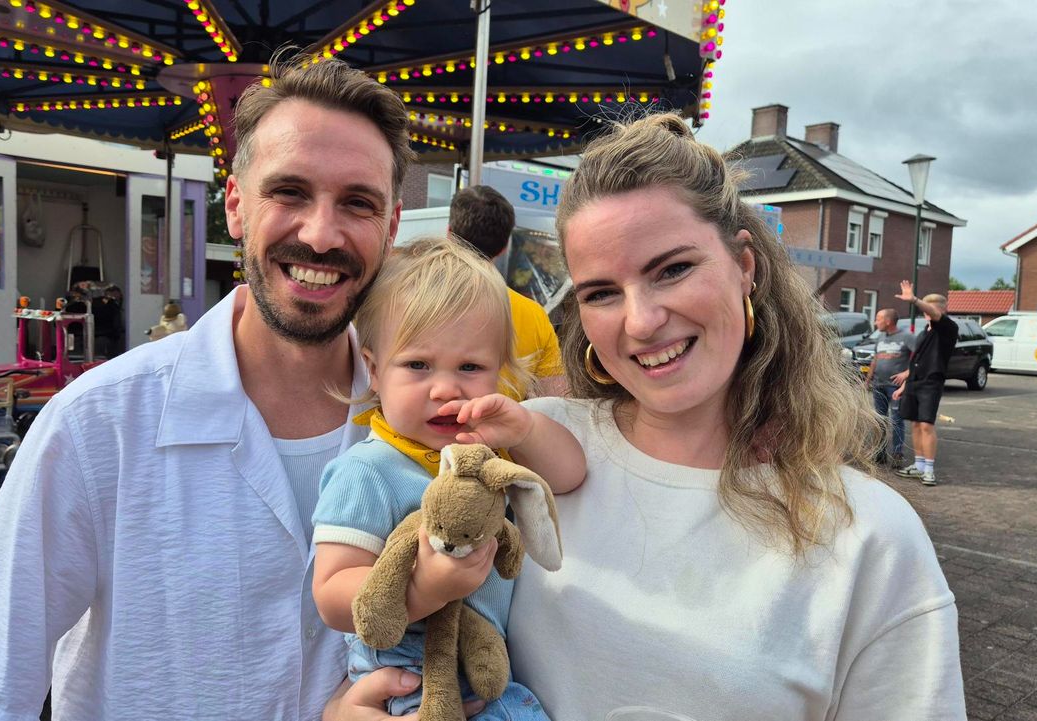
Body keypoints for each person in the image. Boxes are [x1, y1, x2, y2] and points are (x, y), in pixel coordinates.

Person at [333, 113, 966, 721]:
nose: (640, 322)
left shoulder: (868, 536)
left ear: (745, 267)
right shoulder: (527, 446)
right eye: (602, 293)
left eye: (673, 269)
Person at [0, 56, 415, 721]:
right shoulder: (99, 425)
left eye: (357, 203)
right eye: (289, 192)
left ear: (392, 226)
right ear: (235, 206)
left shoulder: (431, 431)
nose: (320, 233)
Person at [312, 238, 585, 719]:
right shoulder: (369, 471)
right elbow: (331, 595)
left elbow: (569, 474)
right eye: (418, 365)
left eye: (470, 367)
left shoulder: (489, 452)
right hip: (408, 689)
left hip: (491, 682)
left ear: (499, 373)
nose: (445, 388)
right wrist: (427, 586)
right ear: (374, 370)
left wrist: (524, 426)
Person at [448, 185, 565, 398]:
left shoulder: (410, 299)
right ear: (504, 247)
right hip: (501, 429)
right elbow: (555, 397)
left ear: (449, 234)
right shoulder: (534, 315)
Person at [892, 283, 958, 486]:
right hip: (914, 383)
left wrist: (913, 300)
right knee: (915, 424)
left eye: (928, 309)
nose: (926, 313)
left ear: (941, 310)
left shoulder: (948, 328)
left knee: (927, 425)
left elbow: (934, 313)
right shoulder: (924, 333)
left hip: (931, 383)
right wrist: (905, 384)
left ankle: (929, 469)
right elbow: (916, 362)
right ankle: (918, 465)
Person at [868, 307, 917, 467]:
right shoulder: (880, 337)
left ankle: (897, 454)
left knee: (896, 420)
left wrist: (907, 374)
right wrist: (868, 379)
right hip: (879, 385)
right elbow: (875, 359)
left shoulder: (907, 337)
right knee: (880, 419)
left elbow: (921, 358)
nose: (875, 322)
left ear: (888, 321)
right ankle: (880, 453)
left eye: (878, 319)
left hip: (895, 387)